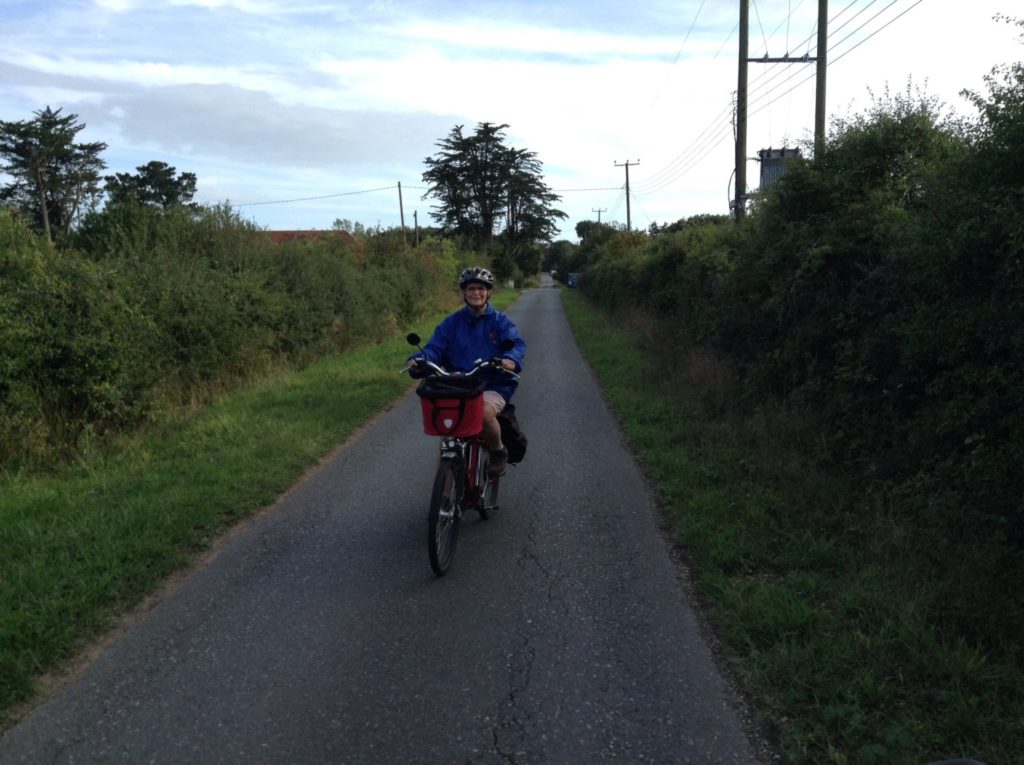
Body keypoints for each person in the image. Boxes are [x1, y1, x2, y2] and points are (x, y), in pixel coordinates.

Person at [409, 266, 526, 476]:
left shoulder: (500, 322)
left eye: (481, 288)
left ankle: (498, 451)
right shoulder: (451, 323)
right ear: (464, 292)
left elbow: (516, 345)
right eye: (471, 288)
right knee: (447, 429)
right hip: (458, 384)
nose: (476, 293)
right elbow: (435, 347)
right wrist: (420, 360)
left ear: (488, 292)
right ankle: (446, 487)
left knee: (482, 413)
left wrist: (509, 359)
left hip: (493, 383)